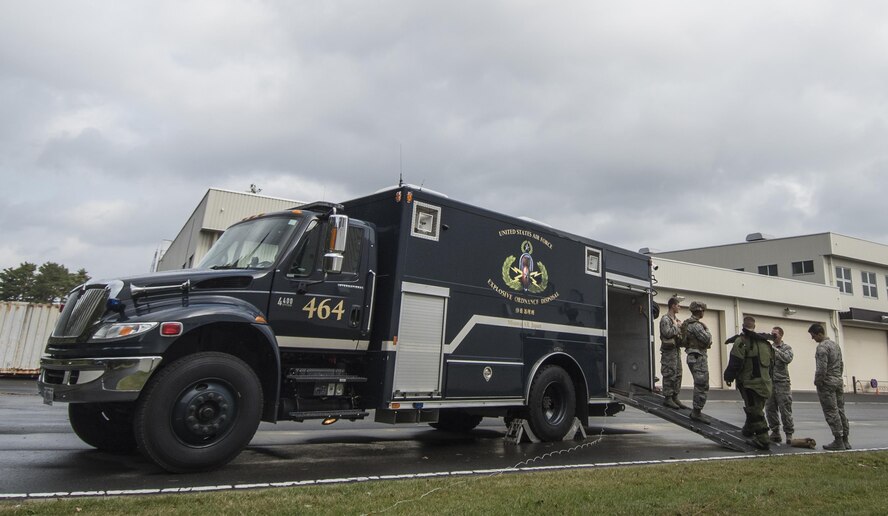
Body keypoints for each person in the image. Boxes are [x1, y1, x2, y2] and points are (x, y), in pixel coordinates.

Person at [724, 316, 774, 450]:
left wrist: (728, 377)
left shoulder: (741, 341)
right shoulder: (766, 344)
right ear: (755, 327)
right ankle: (748, 429)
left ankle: (763, 440)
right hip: (765, 384)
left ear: (742, 326)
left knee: (755, 411)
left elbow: (735, 362)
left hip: (750, 384)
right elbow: (772, 365)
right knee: (756, 408)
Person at [808, 323, 850, 450]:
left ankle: (838, 440)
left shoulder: (822, 347)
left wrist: (818, 382)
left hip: (827, 383)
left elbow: (821, 368)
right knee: (841, 410)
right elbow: (841, 364)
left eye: (813, 335)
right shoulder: (835, 345)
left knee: (831, 412)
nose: (812, 338)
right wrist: (837, 377)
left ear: (819, 334)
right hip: (837, 380)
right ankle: (845, 439)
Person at [681, 301, 712, 423]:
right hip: (698, 356)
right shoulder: (697, 325)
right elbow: (707, 339)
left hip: (693, 355)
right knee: (702, 384)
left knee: (700, 384)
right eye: (703, 310)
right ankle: (696, 412)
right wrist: (708, 330)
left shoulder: (688, 323)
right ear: (699, 311)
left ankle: (697, 410)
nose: (703, 312)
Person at [765, 326, 794, 443]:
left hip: (782, 383)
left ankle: (789, 434)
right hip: (770, 382)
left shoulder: (786, 348)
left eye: (775, 334)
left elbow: (787, 358)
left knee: (785, 409)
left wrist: (775, 350)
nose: (773, 336)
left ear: (781, 335)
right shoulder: (768, 348)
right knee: (770, 409)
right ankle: (775, 432)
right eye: (771, 334)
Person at [659, 297, 687, 409]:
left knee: (678, 374)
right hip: (668, 352)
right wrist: (676, 326)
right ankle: (668, 398)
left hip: (676, 350)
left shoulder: (676, 319)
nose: (679, 307)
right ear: (673, 306)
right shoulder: (665, 319)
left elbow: (679, 335)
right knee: (669, 373)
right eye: (678, 305)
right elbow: (667, 333)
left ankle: (675, 397)